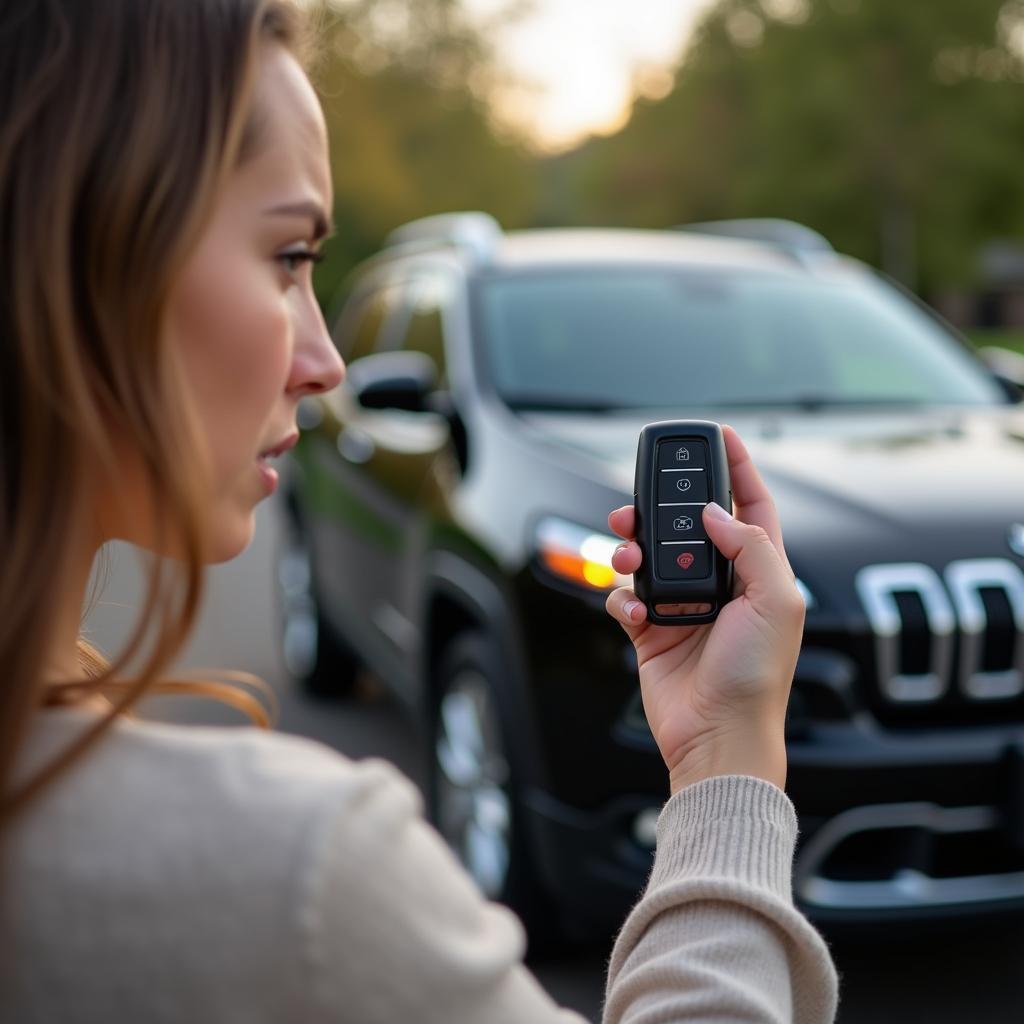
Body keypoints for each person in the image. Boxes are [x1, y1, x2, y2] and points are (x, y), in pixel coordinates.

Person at [0, 0, 838, 1020]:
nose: (325, 363)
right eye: (287, 259)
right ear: (72, 256)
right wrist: (726, 753)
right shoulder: (299, 874)